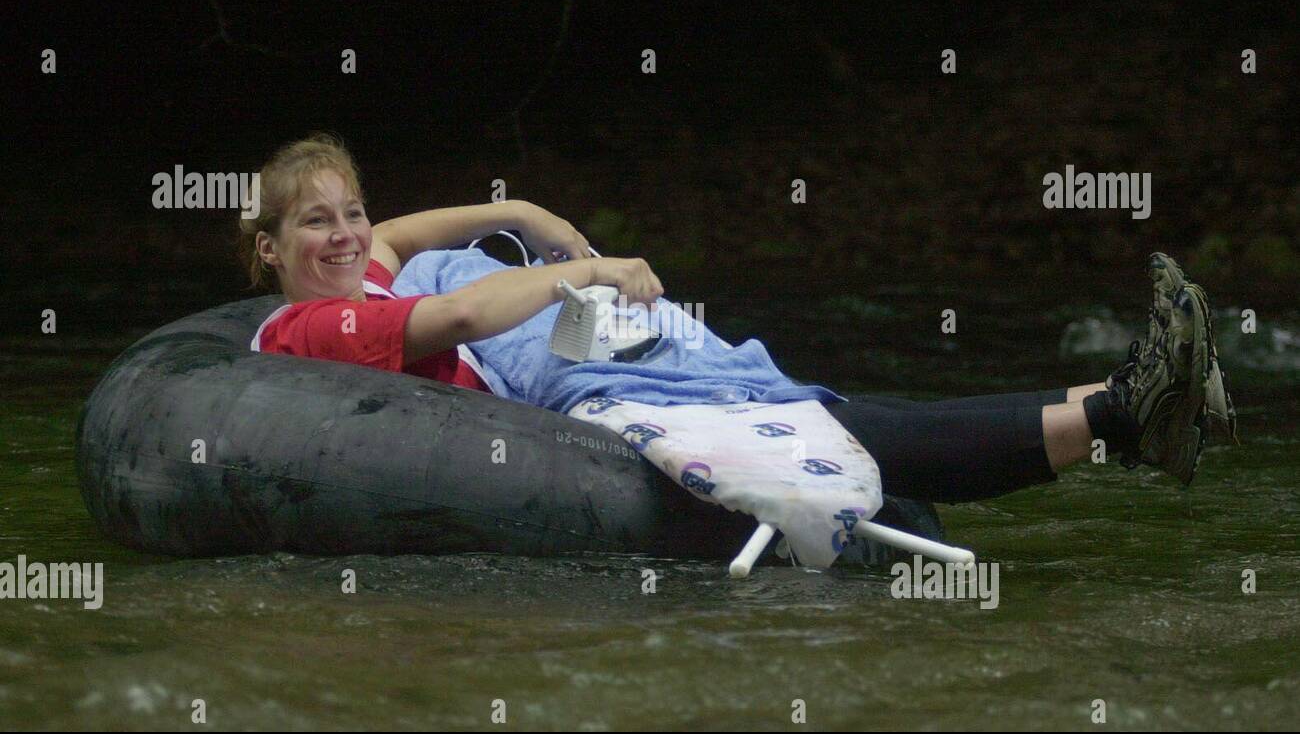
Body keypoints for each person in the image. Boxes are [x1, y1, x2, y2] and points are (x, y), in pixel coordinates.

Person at [237, 135, 1235, 502]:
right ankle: (1122, 414)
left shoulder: (355, 279)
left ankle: (1144, 397)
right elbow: (452, 317)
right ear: (269, 250)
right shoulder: (314, 331)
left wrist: (520, 214)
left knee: (804, 397)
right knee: (834, 428)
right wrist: (582, 267)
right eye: (313, 222)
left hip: (555, 388)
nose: (343, 236)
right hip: (554, 425)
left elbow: (403, 240)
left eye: (349, 212)